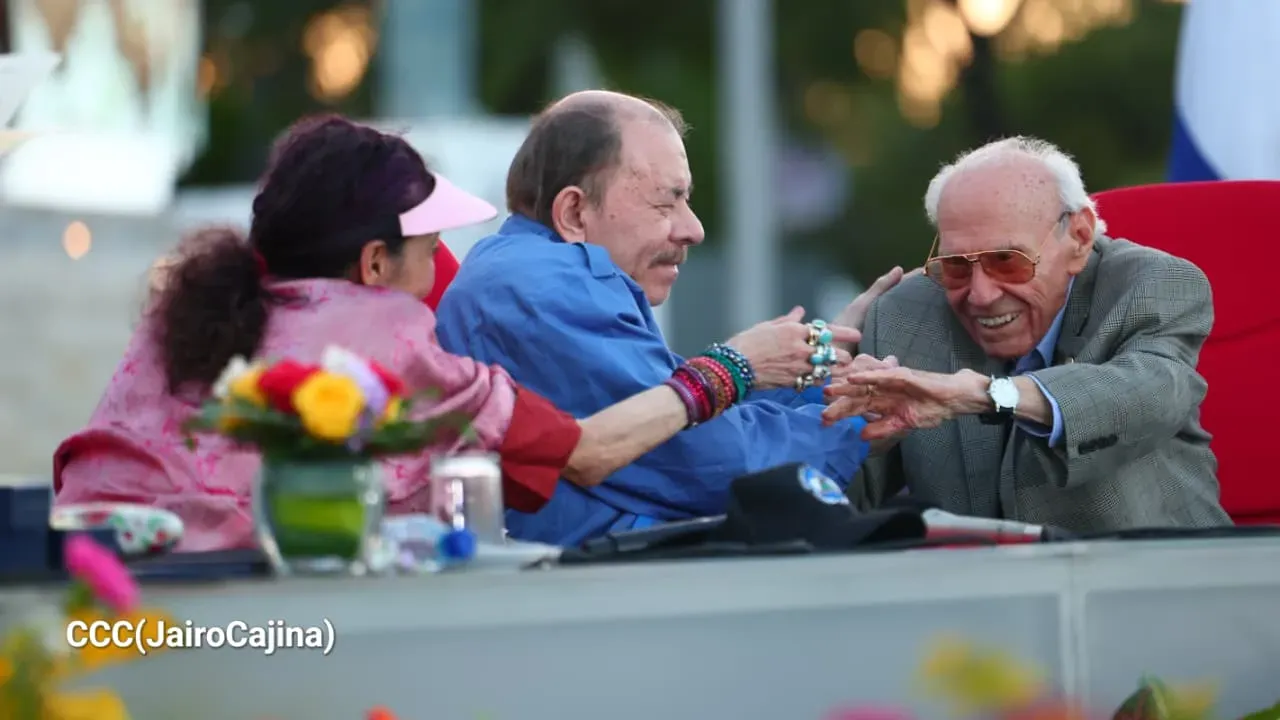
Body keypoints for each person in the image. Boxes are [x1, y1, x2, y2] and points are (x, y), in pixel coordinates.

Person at [53, 114, 857, 552]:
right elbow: (588, 449)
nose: (445, 263)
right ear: (374, 262)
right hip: (247, 616)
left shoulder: (178, 319)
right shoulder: (390, 337)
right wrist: (733, 367)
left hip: (95, 589)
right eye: (429, 246)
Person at [435, 90, 904, 546]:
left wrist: (829, 371)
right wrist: (860, 417)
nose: (693, 229)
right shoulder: (545, 286)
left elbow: (683, 409)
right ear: (574, 212)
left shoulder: (532, 271)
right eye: (666, 202)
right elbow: (709, 463)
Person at [823, 136, 1230, 531]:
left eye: (1007, 261)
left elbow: (1152, 393)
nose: (980, 295)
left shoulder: (1152, 283)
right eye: (958, 265)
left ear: (1080, 238)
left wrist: (988, 395)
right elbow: (831, 506)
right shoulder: (903, 315)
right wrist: (819, 380)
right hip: (981, 592)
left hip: (1158, 582)